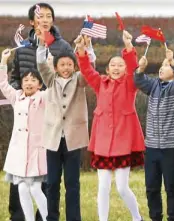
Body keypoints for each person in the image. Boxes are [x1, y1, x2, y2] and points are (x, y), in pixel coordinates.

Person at [8, 4, 72, 220]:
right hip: (25, 114)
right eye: (40, 16)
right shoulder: (22, 47)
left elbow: (68, 77)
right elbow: (14, 76)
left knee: (44, 167)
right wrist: (22, 95)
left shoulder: (62, 46)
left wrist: (45, 96)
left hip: (51, 114)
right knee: (21, 162)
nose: (45, 19)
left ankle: (45, 215)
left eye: (48, 16)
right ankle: (19, 214)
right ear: (31, 22)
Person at [76, 31, 143, 221]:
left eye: (120, 65)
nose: (116, 68)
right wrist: (81, 50)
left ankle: (137, 218)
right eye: (112, 65)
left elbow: (133, 68)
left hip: (124, 141)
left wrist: (128, 47)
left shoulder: (130, 83)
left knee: (122, 187)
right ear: (107, 69)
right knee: (102, 186)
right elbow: (87, 70)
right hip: (103, 143)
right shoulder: (100, 83)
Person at [36, 31, 94, 221]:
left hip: (73, 140)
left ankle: (73, 218)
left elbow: (89, 72)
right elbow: (41, 66)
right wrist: (42, 46)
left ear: (74, 66)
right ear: (56, 67)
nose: (66, 67)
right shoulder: (51, 80)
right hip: (53, 139)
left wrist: (87, 48)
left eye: (69, 64)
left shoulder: (79, 80)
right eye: (62, 65)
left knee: (72, 183)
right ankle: (51, 217)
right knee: (52, 183)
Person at [134, 49, 174, 221]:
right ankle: (155, 217)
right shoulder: (154, 85)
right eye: (163, 64)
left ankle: (173, 217)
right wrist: (140, 69)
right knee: (151, 187)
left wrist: (173, 62)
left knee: (171, 186)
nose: (162, 68)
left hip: (171, 147)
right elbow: (139, 80)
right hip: (152, 146)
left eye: (167, 65)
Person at [1, 48, 48, 221]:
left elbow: (54, 89)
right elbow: (3, 84)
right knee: (21, 188)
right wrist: (3, 63)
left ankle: (48, 217)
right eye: (26, 80)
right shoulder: (17, 97)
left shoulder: (43, 98)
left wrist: (49, 66)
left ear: (39, 84)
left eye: (33, 80)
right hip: (19, 151)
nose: (29, 83)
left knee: (36, 188)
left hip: (37, 151)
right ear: (21, 84)